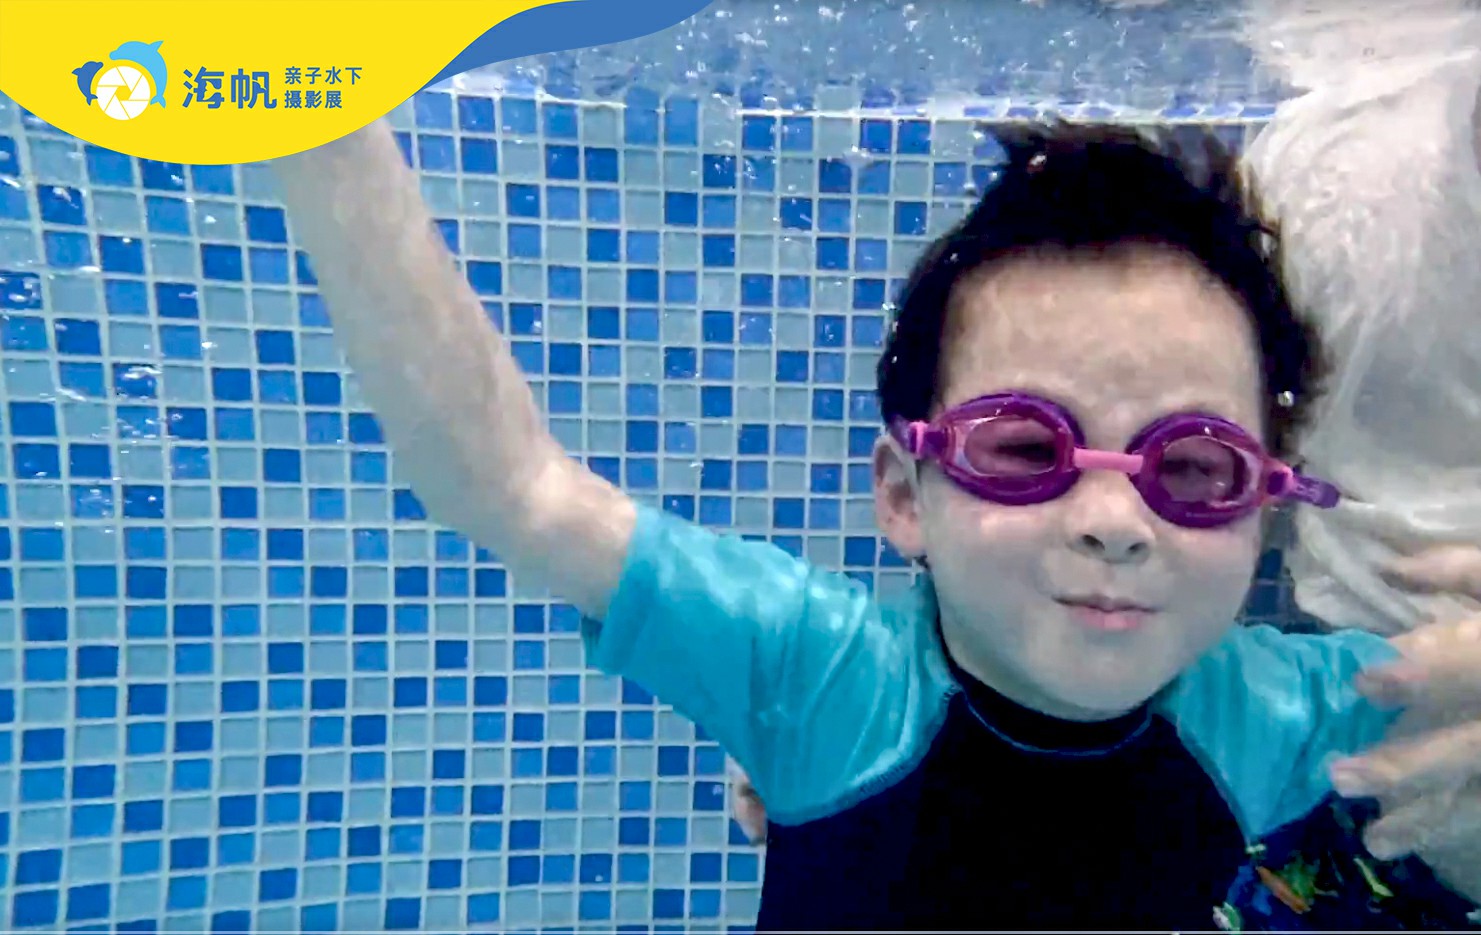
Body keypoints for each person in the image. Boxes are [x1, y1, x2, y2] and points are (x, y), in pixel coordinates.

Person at [269, 118, 1481, 930]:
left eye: (1195, 468)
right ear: (904, 494)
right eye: (1025, 449)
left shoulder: (1268, 709)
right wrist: (327, 130)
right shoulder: (820, 675)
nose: (1114, 519)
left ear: (1262, 507)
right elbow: (511, 487)